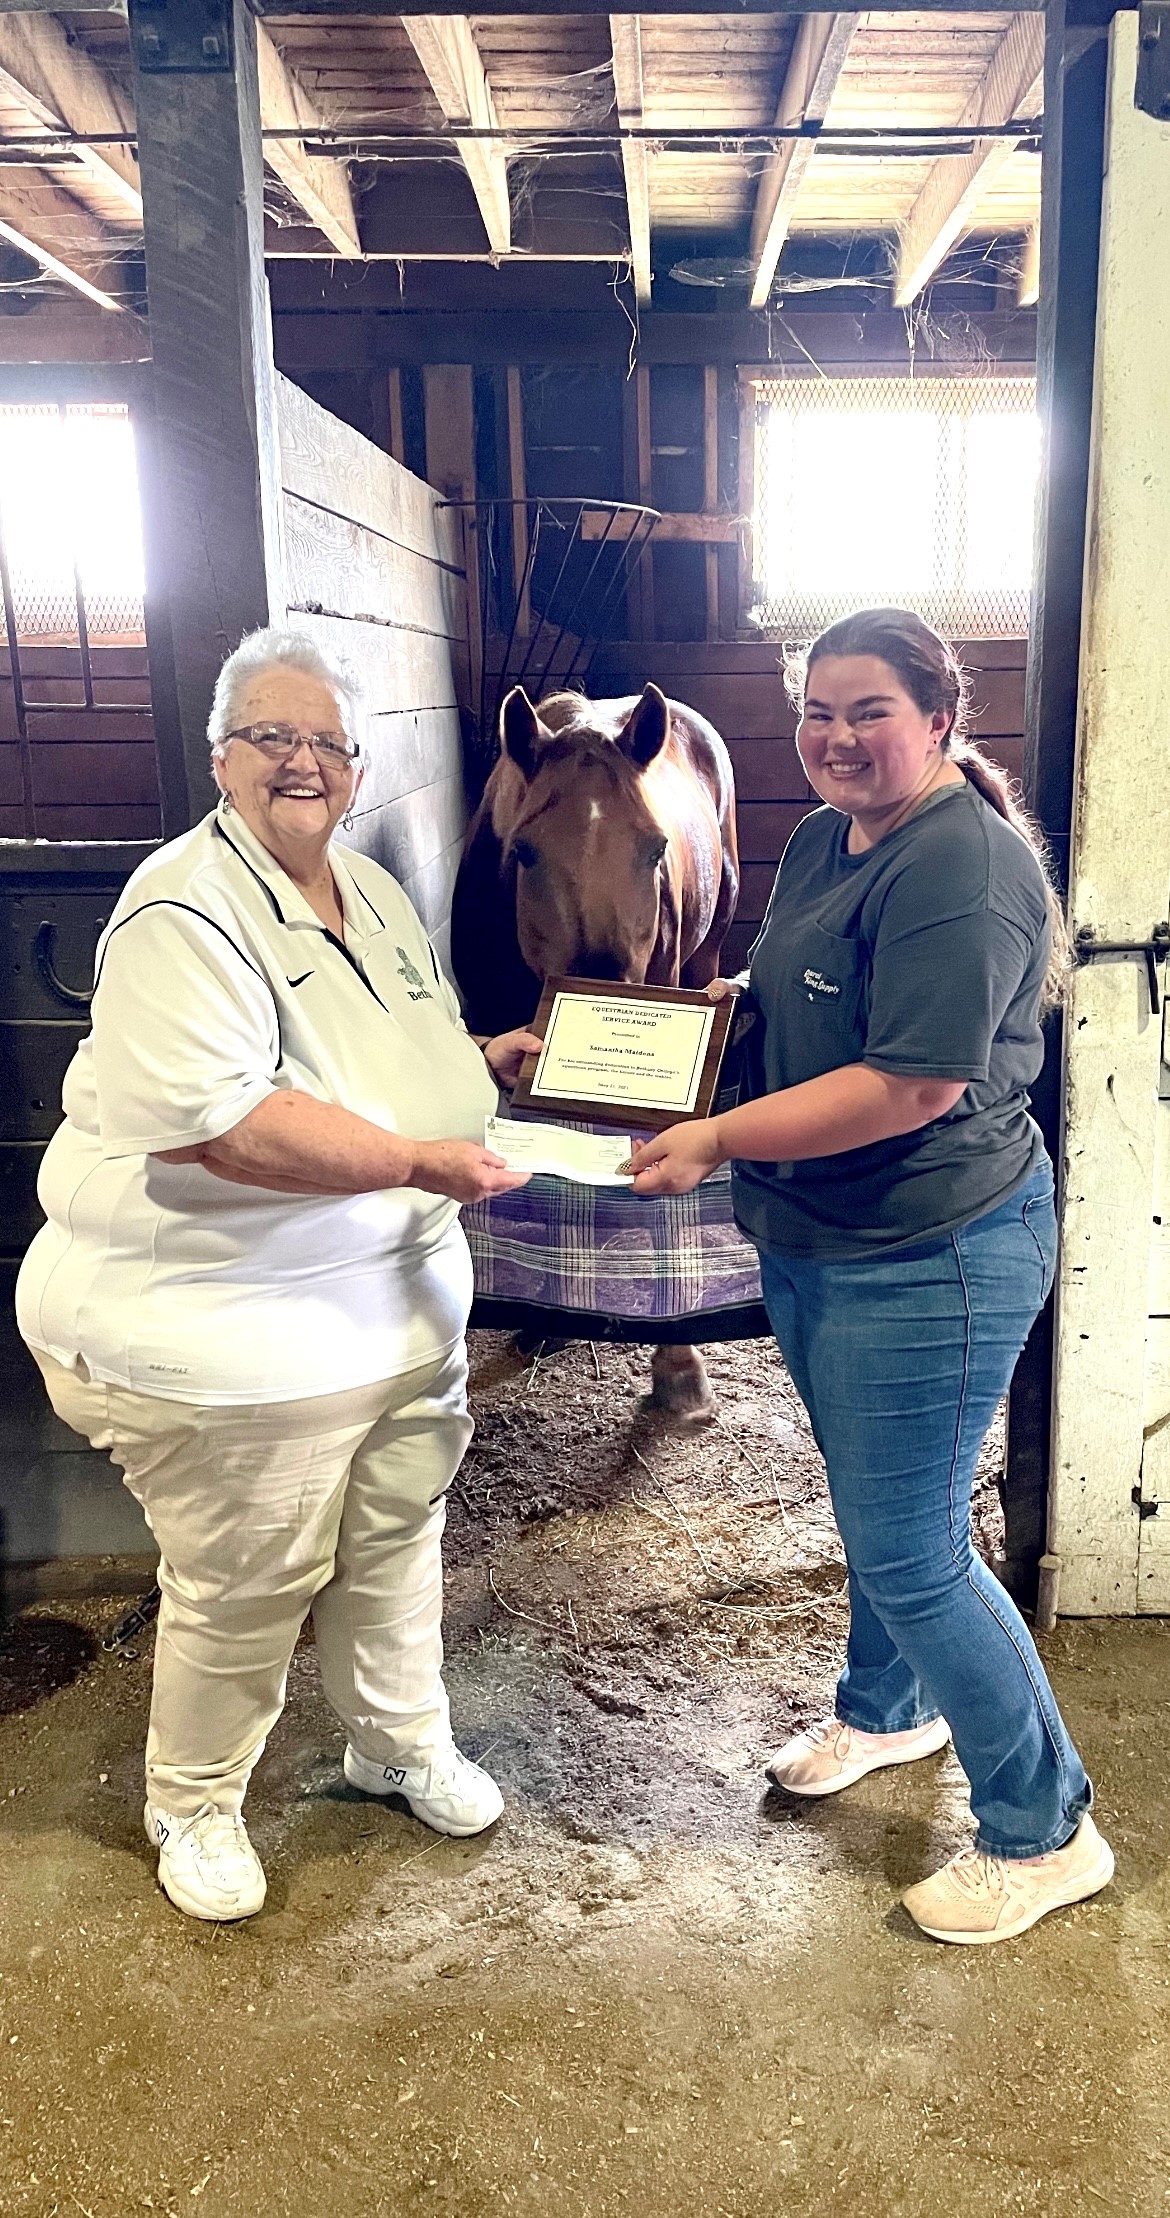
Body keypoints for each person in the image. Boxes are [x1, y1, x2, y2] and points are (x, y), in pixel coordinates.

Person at [16, 627, 541, 1924]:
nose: (301, 761)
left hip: (395, 1308)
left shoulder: (368, 890)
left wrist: (491, 1058)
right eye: (271, 736)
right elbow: (223, 1122)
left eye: (325, 743)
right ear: (220, 758)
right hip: (235, 1317)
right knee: (245, 1580)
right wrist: (423, 1153)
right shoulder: (182, 907)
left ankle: (394, 1737)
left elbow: (389, 1050)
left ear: (357, 771)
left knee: (395, 1539)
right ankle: (192, 1801)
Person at [628, 607, 1113, 1946]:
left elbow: (907, 1085)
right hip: (819, 1238)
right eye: (817, 711)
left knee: (907, 1550)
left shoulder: (956, 865)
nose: (836, 738)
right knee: (883, 1512)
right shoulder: (815, 837)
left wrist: (715, 1131)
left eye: (868, 711)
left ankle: (1044, 1824)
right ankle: (885, 1708)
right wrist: (595, 1051)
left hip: (927, 1252)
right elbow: (778, 996)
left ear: (940, 721)